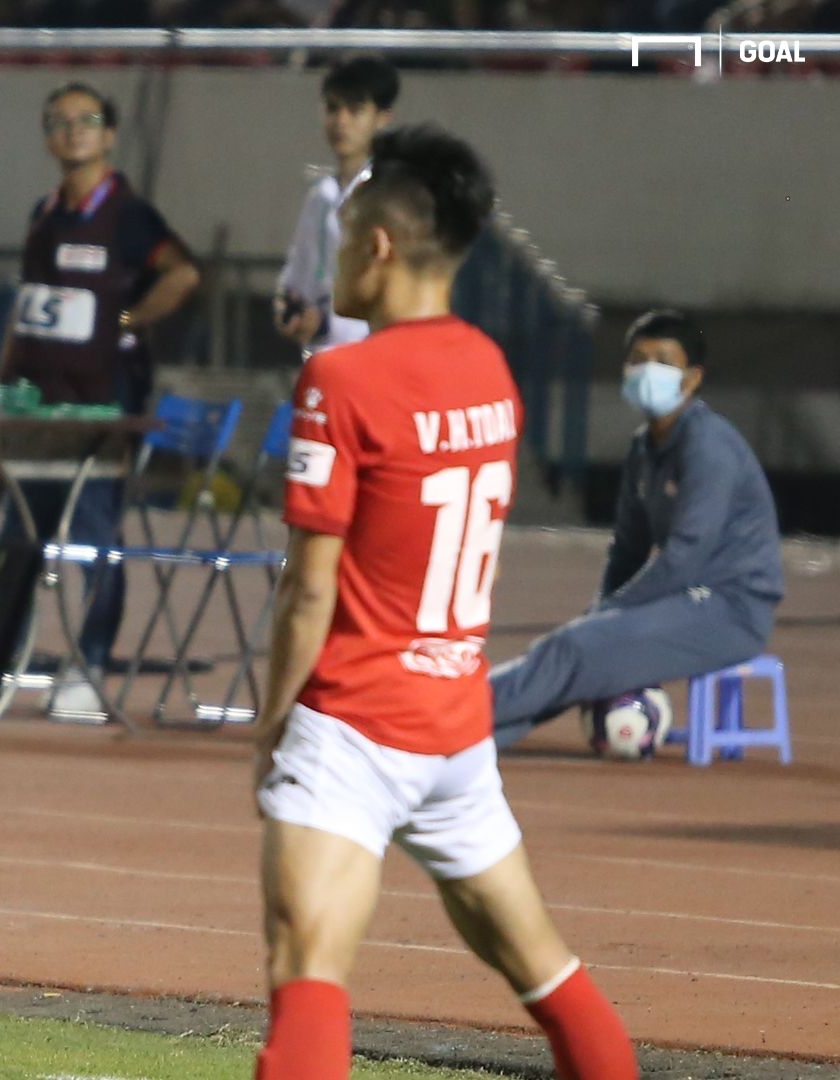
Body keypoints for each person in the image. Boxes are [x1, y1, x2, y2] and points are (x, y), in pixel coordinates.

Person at [251, 125, 638, 1079]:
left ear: (379, 246)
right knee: (545, 970)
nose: (337, 258)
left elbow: (311, 586)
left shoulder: (338, 379)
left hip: (354, 722)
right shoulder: (490, 369)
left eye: (345, 240)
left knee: (306, 973)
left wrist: (271, 720)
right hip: (456, 730)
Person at [0, 81, 201, 720]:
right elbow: (30, 301)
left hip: (106, 399)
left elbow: (185, 273)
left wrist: (126, 320)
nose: (73, 130)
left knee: (92, 532)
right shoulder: (44, 213)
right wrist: (6, 378)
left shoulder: (130, 216)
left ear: (109, 133)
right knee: (20, 532)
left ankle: (88, 667)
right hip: (41, 399)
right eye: (59, 121)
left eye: (86, 120)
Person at [490, 311, 782, 749]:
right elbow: (627, 549)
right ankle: (477, 738)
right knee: (577, 646)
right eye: (638, 359)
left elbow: (685, 556)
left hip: (729, 609)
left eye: (663, 361)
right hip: (685, 598)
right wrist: (605, 607)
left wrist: (614, 612)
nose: (648, 371)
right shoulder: (644, 448)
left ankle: (454, 717)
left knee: (575, 647)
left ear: (692, 378)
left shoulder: (708, 446)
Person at [274, 54, 398, 358]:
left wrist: (324, 324)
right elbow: (295, 280)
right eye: (332, 108)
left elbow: (390, 299)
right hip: (323, 362)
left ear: (382, 118)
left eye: (355, 110)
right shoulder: (321, 196)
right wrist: (288, 310)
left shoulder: (392, 197)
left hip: (373, 363)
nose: (340, 121)